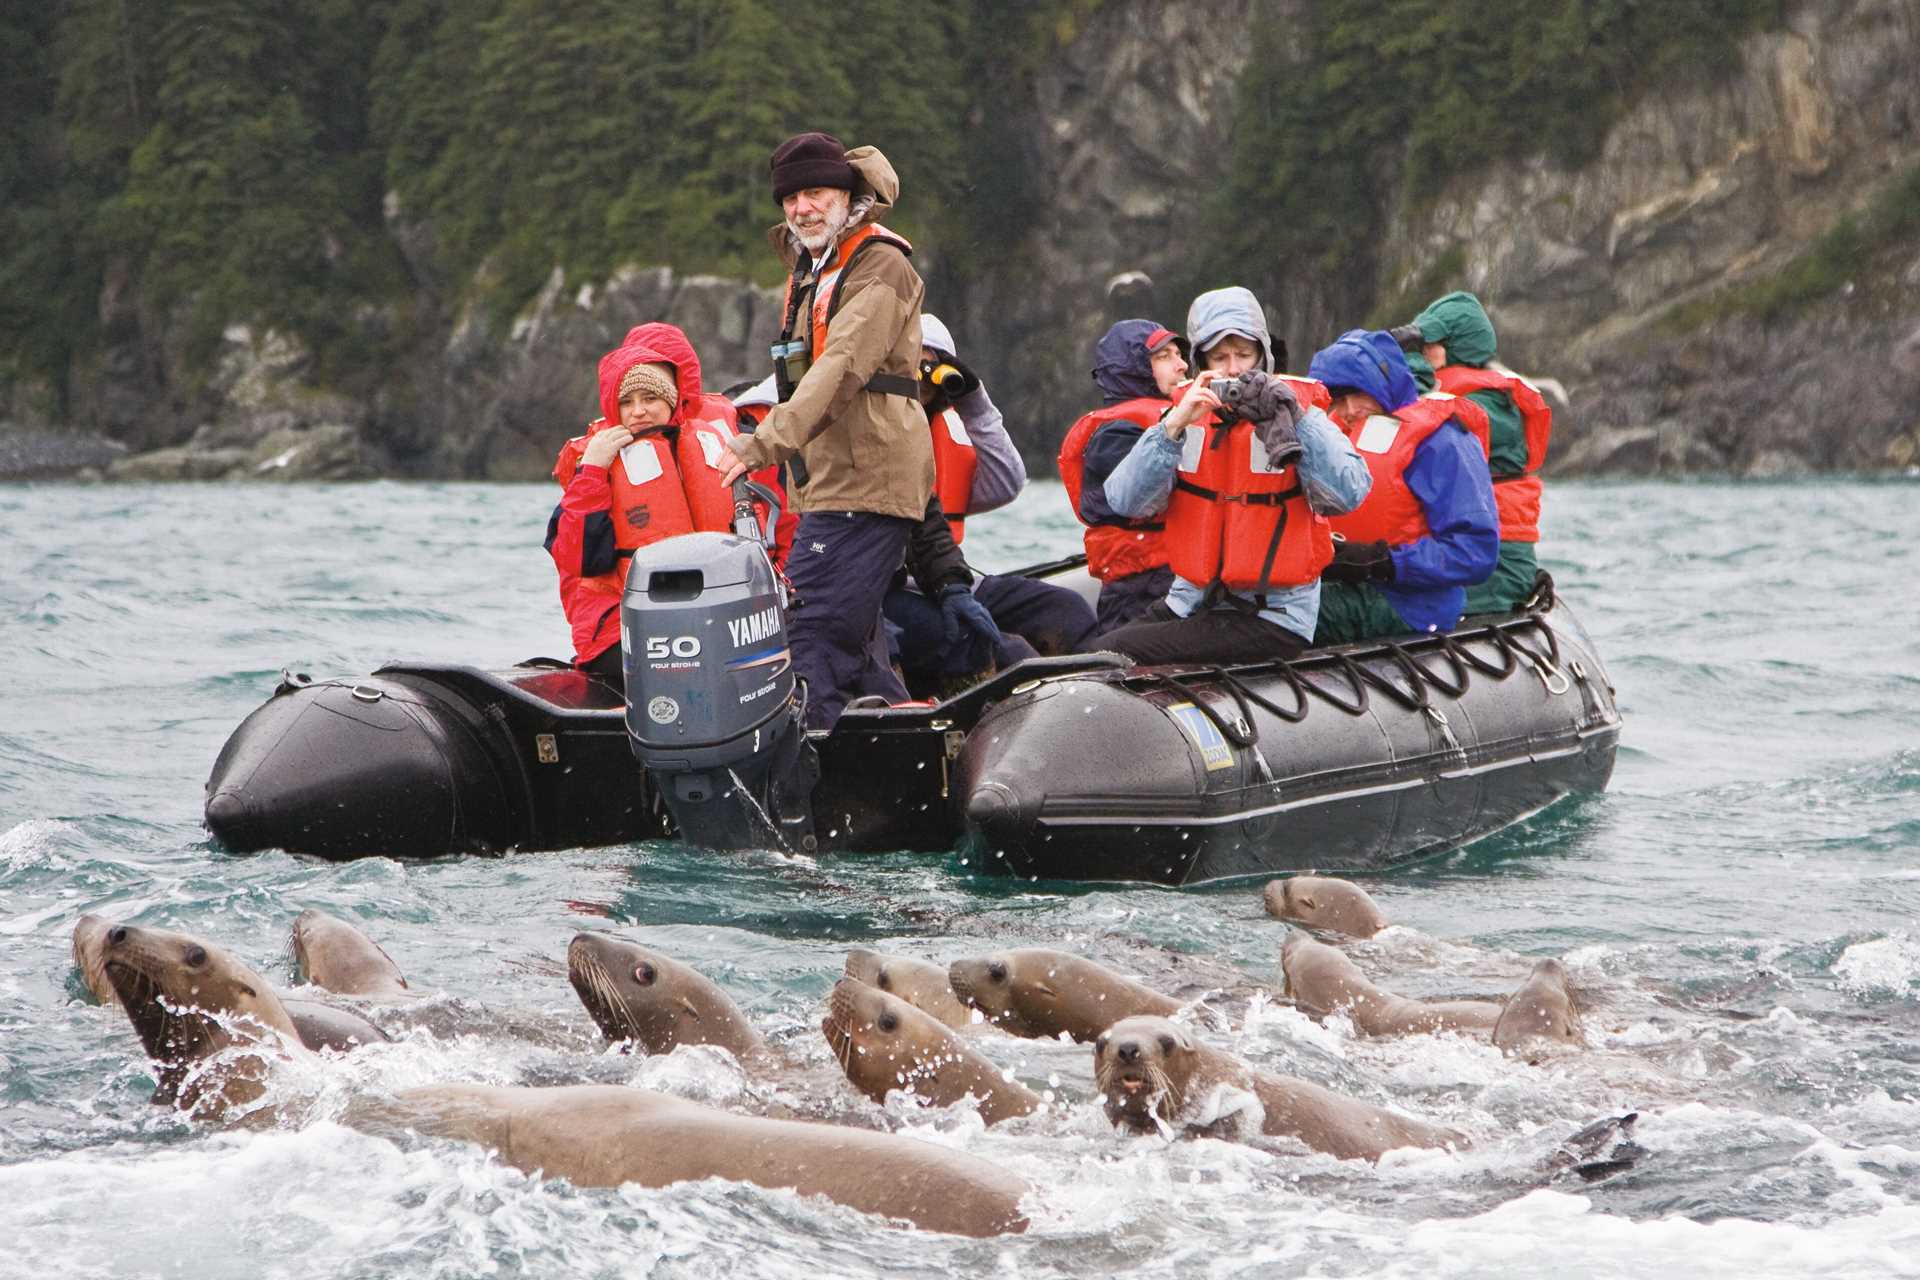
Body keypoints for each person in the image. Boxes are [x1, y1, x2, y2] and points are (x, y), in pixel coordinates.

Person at [717, 133, 932, 730]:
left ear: (845, 194)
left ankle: (808, 786)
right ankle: (899, 765)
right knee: (859, 648)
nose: (801, 208)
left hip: (865, 482)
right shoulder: (817, 267)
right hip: (832, 483)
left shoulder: (879, 263)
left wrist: (762, 443)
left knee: (810, 633)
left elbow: (841, 368)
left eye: (814, 192)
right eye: (789, 198)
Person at [1097, 287, 1372, 665]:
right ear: (1200, 362)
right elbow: (1125, 501)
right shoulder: (1185, 416)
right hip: (1190, 601)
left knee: (1116, 655)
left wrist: (1295, 418)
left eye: (1244, 355)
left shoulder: (1298, 413)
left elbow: (1350, 493)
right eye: (1220, 358)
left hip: (1272, 618)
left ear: (1263, 356)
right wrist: (1173, 427)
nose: (1234, 369)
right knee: (1092, 656)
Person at [880, 313, 1096, 685]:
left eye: (933, 369)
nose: (921, 382)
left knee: (1067, 610)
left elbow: (1005, 484)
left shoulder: (942, 430)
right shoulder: (868, 431)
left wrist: (974, 402)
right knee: (998, 648)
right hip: (889, 593)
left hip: (947, 581)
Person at [546, 324, 743, 690]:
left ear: (672, 400)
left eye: (650, 399)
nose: (638, 411)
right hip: (620, 626)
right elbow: (576, 558)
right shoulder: (593, 460)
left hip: (707, 616)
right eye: (627, 401)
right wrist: (592, 472)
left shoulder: (711, 445)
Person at [1306, 328, 1499, 644]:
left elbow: (1476, 552)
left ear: (1380, 383)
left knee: (1281, 618)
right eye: (1338, 401)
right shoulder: (1338, 435)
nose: (1349, 410)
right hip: (1346, 587)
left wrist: (1382, 562)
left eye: (1357, 393)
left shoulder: (1444, 441)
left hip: (1413, 606)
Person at [1393, 291, 1552, 614]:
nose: (1423, 351)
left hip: (1497, 560)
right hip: (1457, 549)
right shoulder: (1443, 391)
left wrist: (1406, 362)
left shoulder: (1491, 405)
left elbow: (1439, 412)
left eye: (1430, 344)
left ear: (1457, 347)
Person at [1058, 320, 1189, 633]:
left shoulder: (1177, 419)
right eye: (1165, 356)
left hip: (1174, 573)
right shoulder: (1118, 433)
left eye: (1179, 354)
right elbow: (1138, 502)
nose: (1182, 364)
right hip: (1141, 583)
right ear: (1135, 369)